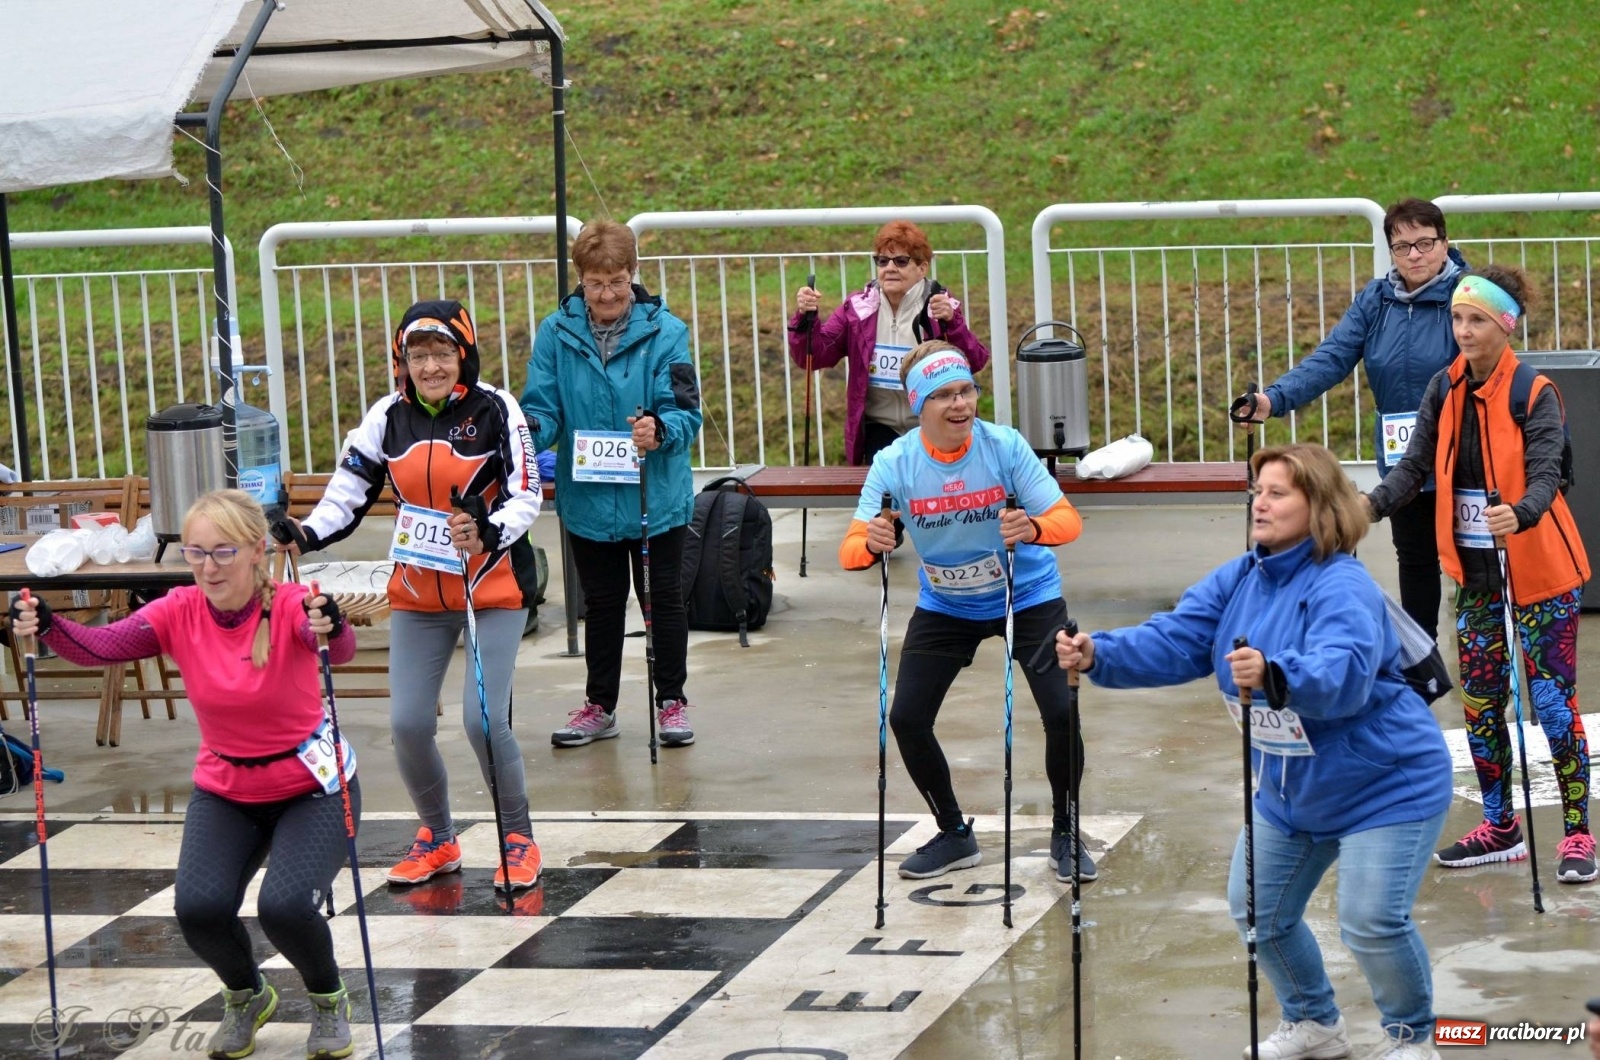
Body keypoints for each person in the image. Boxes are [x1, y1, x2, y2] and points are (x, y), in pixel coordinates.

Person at [1057, 442, 1453, 1060]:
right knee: (1257, 912)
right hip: (1292, 785)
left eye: (1277, 493)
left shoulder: (1342, 583)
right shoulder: (1244, 574)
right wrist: (1100, 653)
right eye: (1256, 491)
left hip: (1386, 783)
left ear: (1318, 506)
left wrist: (1276, 674)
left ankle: (1413, 1038)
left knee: (1370, 921)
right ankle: (1314, 1023)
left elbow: (1343, 672)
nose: (1258, 503)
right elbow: (1180, 637)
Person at [10, 490, 362, 1060]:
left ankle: (327, 999)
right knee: (197, 908)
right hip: (227, 788)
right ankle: (247, 994)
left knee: (285, 905)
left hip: (310, 787)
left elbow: (335, 648)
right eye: (196, 553)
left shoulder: (292, 603)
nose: (208, 566)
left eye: (222, 552)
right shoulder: (178, 609)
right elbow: (99, 647)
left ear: (255, 551)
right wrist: (47, 624)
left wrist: (334, 623)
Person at [281, 298, 544, 893]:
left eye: (443, 353)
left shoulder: (497, 407)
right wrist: (306, 531)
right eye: (418, 355)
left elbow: (528, 492)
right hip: (420, 593)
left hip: (490, 588)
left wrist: (487, 528)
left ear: (464, 353)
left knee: (482, 723)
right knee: (405, 724)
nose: (430, 366)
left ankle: (517, 838)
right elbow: (347, 490)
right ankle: (438, 836)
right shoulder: (386, 415)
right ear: (402, 360)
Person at [1366, 265, 1592, 883]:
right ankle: (1501, 826)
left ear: (1504, 326)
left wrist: (1519, 514)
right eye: (1457, 319)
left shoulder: (1534, 391)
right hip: (1476, 576)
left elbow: (1547, 470)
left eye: (1477, 320)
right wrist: (1367, 506)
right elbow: (1413, 467)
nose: (1463, 330)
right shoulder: (1444, 388)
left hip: (1539, 572)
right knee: (1481, 704)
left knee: (1550, 703)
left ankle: (1577, 835)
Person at [841, 339, 1093, 882]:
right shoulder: (895, 462)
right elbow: (852, 549)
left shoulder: (1004, 447)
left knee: (1060, 711)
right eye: (943, 396)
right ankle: (954, 833)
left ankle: (1065, 831)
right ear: (917, 406)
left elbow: (1067, 520)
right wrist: (876, 539)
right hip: (947, 603)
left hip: (1027, 596)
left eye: (967, 391)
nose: (960, 405)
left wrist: (1033, 528)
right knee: (907, 718)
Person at [1234, 198, 1468, 644]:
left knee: (1471, 563)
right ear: (1391, 252)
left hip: (1464, 456)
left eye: (1425, 243)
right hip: (1405, 463)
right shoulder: (1376, 300)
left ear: (1444, 243)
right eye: (1403, 247)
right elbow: (1332, 357)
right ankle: (1422, 660)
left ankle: (1484, 666)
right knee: (1415, 560)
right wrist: (1272, 399)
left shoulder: (1466, 295)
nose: (1415, 255)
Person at [521, 220, 704, 749]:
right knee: (600, 605)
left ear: (633, 275)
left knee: (662, 599)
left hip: (657, 495)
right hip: (590, 498)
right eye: (597, 283)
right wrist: (528, 432)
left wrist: (660, 428)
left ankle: (671, 702)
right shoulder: (555, 332)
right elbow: (543, 407)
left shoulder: (667, 331)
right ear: (581, 280)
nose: (607, 295)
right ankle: (599, 706)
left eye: (617, 281)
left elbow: (686, 411)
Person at [790, 220, 992, 468]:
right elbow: (814, 356)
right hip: (878, 427)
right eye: (882, 261)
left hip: (933, 423)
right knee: (884, 500)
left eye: (901, 261)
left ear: (922, 267)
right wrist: (804, 318)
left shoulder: (940, 305)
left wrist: (953, 323)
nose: (890, 268)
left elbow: (976, 361)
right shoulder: (857, 308)